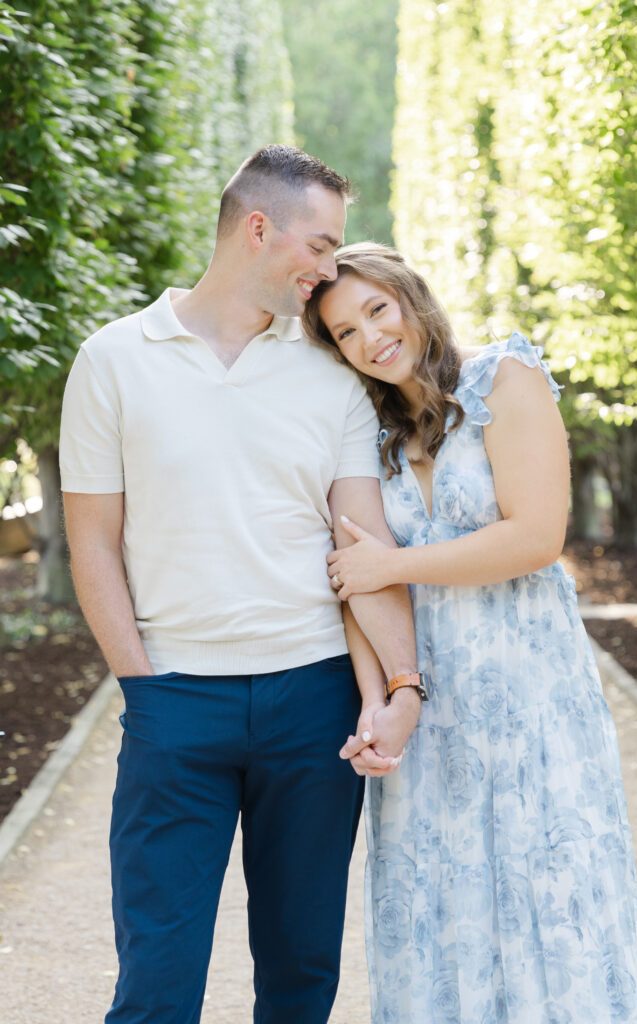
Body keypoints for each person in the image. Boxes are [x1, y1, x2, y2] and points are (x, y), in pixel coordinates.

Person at [59, 149, 421, 1024]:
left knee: (301, 971)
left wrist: (401, 687)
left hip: (313, 703)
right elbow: (94, 545)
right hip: (173, 701)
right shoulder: (113, 360)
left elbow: (362, 547)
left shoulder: (329, 376)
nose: (329, 271)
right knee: (157, 976)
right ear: (259, 228)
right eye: (321, 245)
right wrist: (142, 684)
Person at [303, 242, 637, 1024]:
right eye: (345, 333)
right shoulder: (365, 438)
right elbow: (358, 583)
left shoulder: (504, 377)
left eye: (376, 311)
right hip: (430, 717)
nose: (369, 339)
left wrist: (394, 562)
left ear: (409, 297)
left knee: (551, 903)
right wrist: (380, 699)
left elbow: (535, 537)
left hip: (532, 697)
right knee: (441, 914)